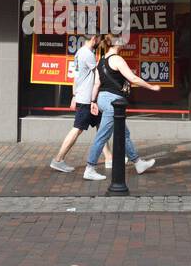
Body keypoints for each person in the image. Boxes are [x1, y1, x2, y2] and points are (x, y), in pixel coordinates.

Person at [83, 33, 161, 181]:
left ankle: (138, 163)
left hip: (102, 99)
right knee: (102, 136)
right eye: (121, 41)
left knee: (124, 133)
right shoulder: (117, 59)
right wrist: (151, 87)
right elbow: (132, 78)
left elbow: (97, 84)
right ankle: (90, 168)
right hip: (113, 102)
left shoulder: (102, 60)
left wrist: (93, 101)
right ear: (116, 43)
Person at [50, 34, 112, 173]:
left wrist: (74, 94)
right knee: (77, 129)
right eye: (100, 41)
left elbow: (76, 76)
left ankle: (109, 157)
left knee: (100, 127)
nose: (100, 44)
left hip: (85, 97)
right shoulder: (88, 54)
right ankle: (58, 159)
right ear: (94, 38)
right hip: (87, 99)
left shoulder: (79, 53)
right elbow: (99, 74)